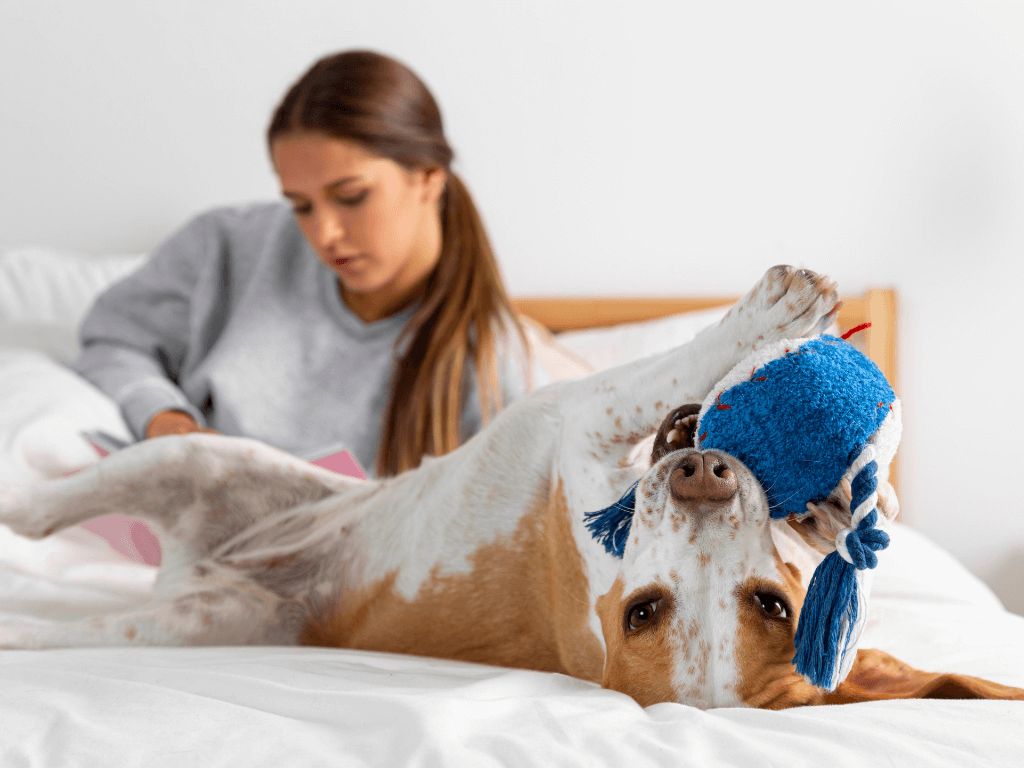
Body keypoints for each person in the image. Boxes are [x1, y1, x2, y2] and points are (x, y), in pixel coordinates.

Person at [73, 50, 588, 477]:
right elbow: (112, 340)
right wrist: (164, 419)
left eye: (351, 196)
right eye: (300, 205)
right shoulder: (225, 247)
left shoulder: (492, 364)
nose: (324, 234)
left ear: (428, 178)